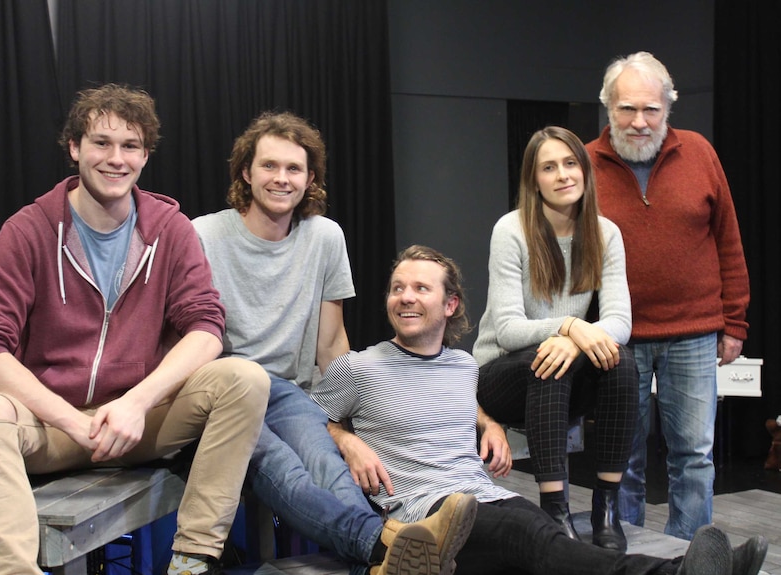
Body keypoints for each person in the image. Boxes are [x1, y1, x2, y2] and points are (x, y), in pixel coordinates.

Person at [0, 84, 271, 575]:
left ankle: (192, 560)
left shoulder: (170, 229)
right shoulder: (29, 230)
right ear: (74, 148)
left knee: (246, 379)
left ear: (145, 155)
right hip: (54, 427)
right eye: (101, 142)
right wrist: (70, 420)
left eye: (130, 146)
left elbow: (206, 327)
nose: (116, 158)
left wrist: (135, 402)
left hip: (138, 423)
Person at [311, 244, 768, 575]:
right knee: (532, 537)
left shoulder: (462, 366)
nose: (405, 297)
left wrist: (486, 423)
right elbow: (309, 421)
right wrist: (346, 439)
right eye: (397, 288)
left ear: (450, 304)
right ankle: (676, 573)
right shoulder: (359, 368)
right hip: (425, 515)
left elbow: (456, 398)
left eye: (420, 288)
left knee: (541, 547)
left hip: (484, 496)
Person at [191, 111, 476, 575]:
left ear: (310, 179)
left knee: (329, 467)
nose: (281, 179)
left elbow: (331, 343)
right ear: (246, 171)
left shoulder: (325, 236)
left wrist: (352, 425)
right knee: (284, 470)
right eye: (269, 166)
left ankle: (381, 563)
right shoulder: (202, 234)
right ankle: (385, 546)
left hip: (291, 393)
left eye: (294, 169)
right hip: (227, 394)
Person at [586, 51, 751, 540]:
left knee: (693, 457)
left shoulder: (700, 152)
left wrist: (735, 323)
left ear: (668, 108)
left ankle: (689, 555)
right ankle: (628, 555)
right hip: (615, 340)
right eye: (626, 109)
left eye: (651, 110)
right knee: (621, 457)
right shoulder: (583, 164)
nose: (639, 122)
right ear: (607, 108)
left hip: (695, 335)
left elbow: (729, 241)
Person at [472, 126, 638, 552]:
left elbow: (620, 321)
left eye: (570, 163)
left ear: (584, 170)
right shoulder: (511, 230)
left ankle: (606, 508)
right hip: (499, 373)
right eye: (549, 167)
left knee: (624, 363)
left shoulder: (606, 233)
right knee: (548, 361)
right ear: (534, 179)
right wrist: (568, 327)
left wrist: (574, 338)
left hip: (561, 363)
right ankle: (555, 512)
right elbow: (508, 330)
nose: (563, 175)